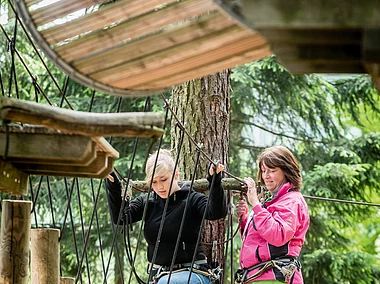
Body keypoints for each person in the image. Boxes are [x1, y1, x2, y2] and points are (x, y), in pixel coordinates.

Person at [105, 149, 227, 284]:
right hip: (158, 275)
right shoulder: (147, 201)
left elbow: (216, 212)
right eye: (154, 182)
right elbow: (121, 218)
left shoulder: (192, 199)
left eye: (163, 179)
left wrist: (215, 181)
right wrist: (113, 185)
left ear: (175, 175)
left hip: (192, 272)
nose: (160, 186)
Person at [235, 146, 310, 284]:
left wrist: (256, 204)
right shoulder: (275, 201)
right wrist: (245, 219)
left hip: (275, 277)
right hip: (260, 276)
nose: (266, 176)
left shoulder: (292, 201)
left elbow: (278, 235)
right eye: (264, 171)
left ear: (286, 171)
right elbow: (261, 242)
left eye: (272, 171)